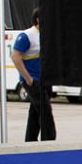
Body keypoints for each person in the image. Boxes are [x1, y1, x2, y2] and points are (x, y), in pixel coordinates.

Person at [11, 9, 56, 142]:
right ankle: (49, 142)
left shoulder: (46, 35)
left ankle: (30, 141)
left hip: (45, 80)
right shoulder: (27, 35)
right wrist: (28, 79)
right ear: (38, 19)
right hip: (33, 80)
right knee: (45, 112)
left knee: (35, 112)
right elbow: (15, 57)